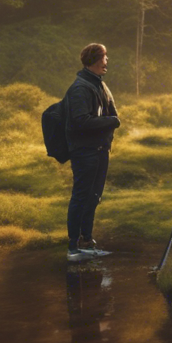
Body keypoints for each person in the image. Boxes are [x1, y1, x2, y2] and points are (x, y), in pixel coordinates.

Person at [64, 43, 120, 263]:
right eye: (105, 57)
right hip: (85, 153)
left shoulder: (99, 84)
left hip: (99, 151)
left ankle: (86, 242)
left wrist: (112, 120)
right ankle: (73, 248)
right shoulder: (80, 88)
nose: (107, 61)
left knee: (93, 197)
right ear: (96, 59)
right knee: (81, 197)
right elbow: (80, 121)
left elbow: (112, 113)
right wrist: (112, 121)